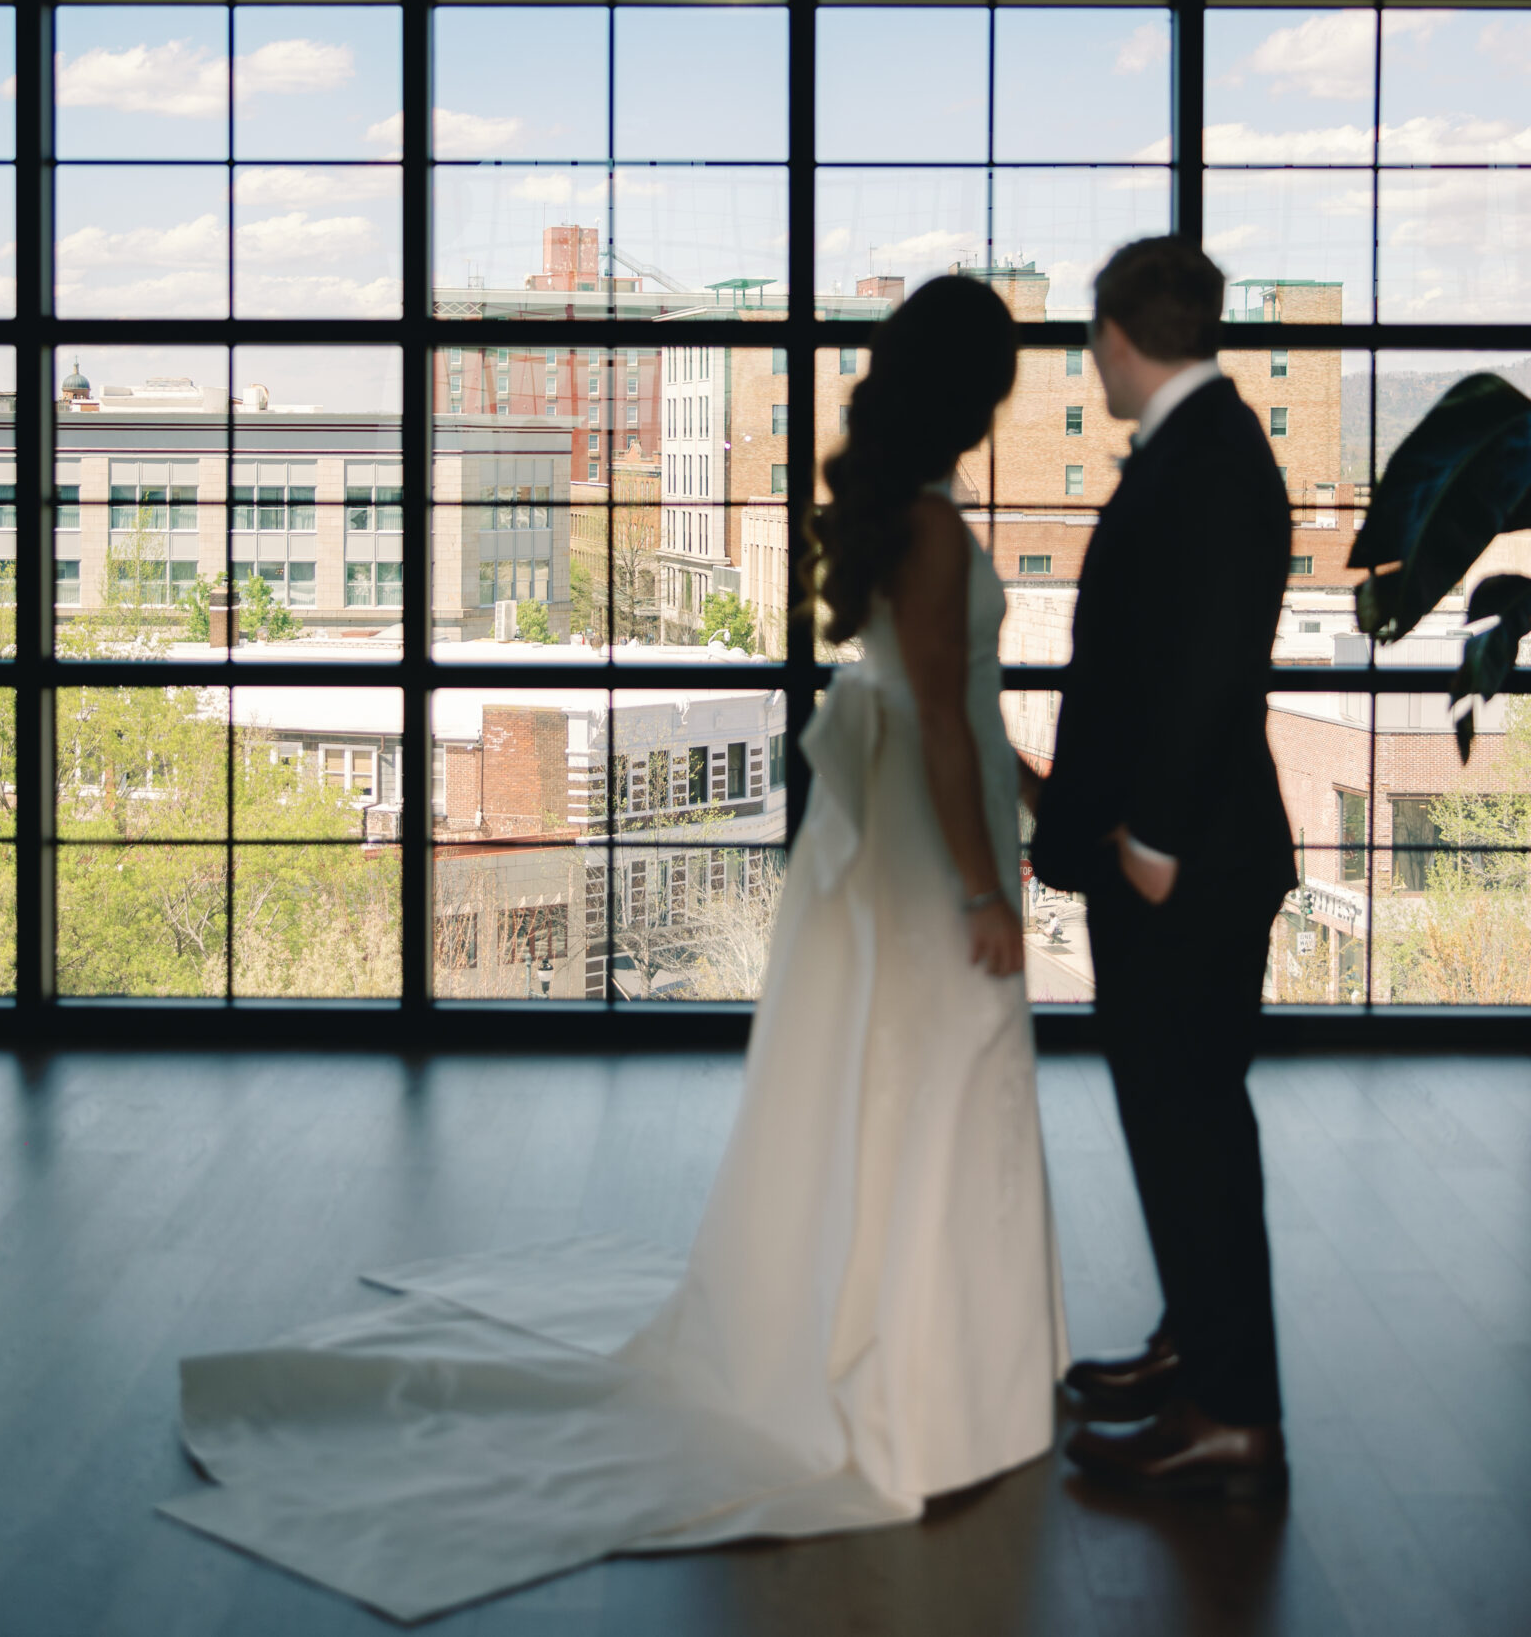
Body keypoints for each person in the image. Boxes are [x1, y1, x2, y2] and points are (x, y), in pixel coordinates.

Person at [160, 275, 1067, 1623]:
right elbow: (942, 719)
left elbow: (936, 705)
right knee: (938, 1085)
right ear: (974, 396)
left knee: (902, 1087)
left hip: (884, 842)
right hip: (933, 856)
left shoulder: (901, 523)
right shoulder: (932, 530)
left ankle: (909, 1343)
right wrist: (991, 889)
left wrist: (1030, 782)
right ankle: (929, 1377)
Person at [1029, 235, 1294, 1501]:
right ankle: (1196, 1347)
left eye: (1092, 343)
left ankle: (1231, 1412)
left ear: (1116, 338)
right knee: (1175, 1119)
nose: (1093, 364)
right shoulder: (1209, 450)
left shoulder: (1206, 465)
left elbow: (1202, 673)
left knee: (1187, 1127)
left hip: (1181, 865)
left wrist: (1149, 842)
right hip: (1173, 854)